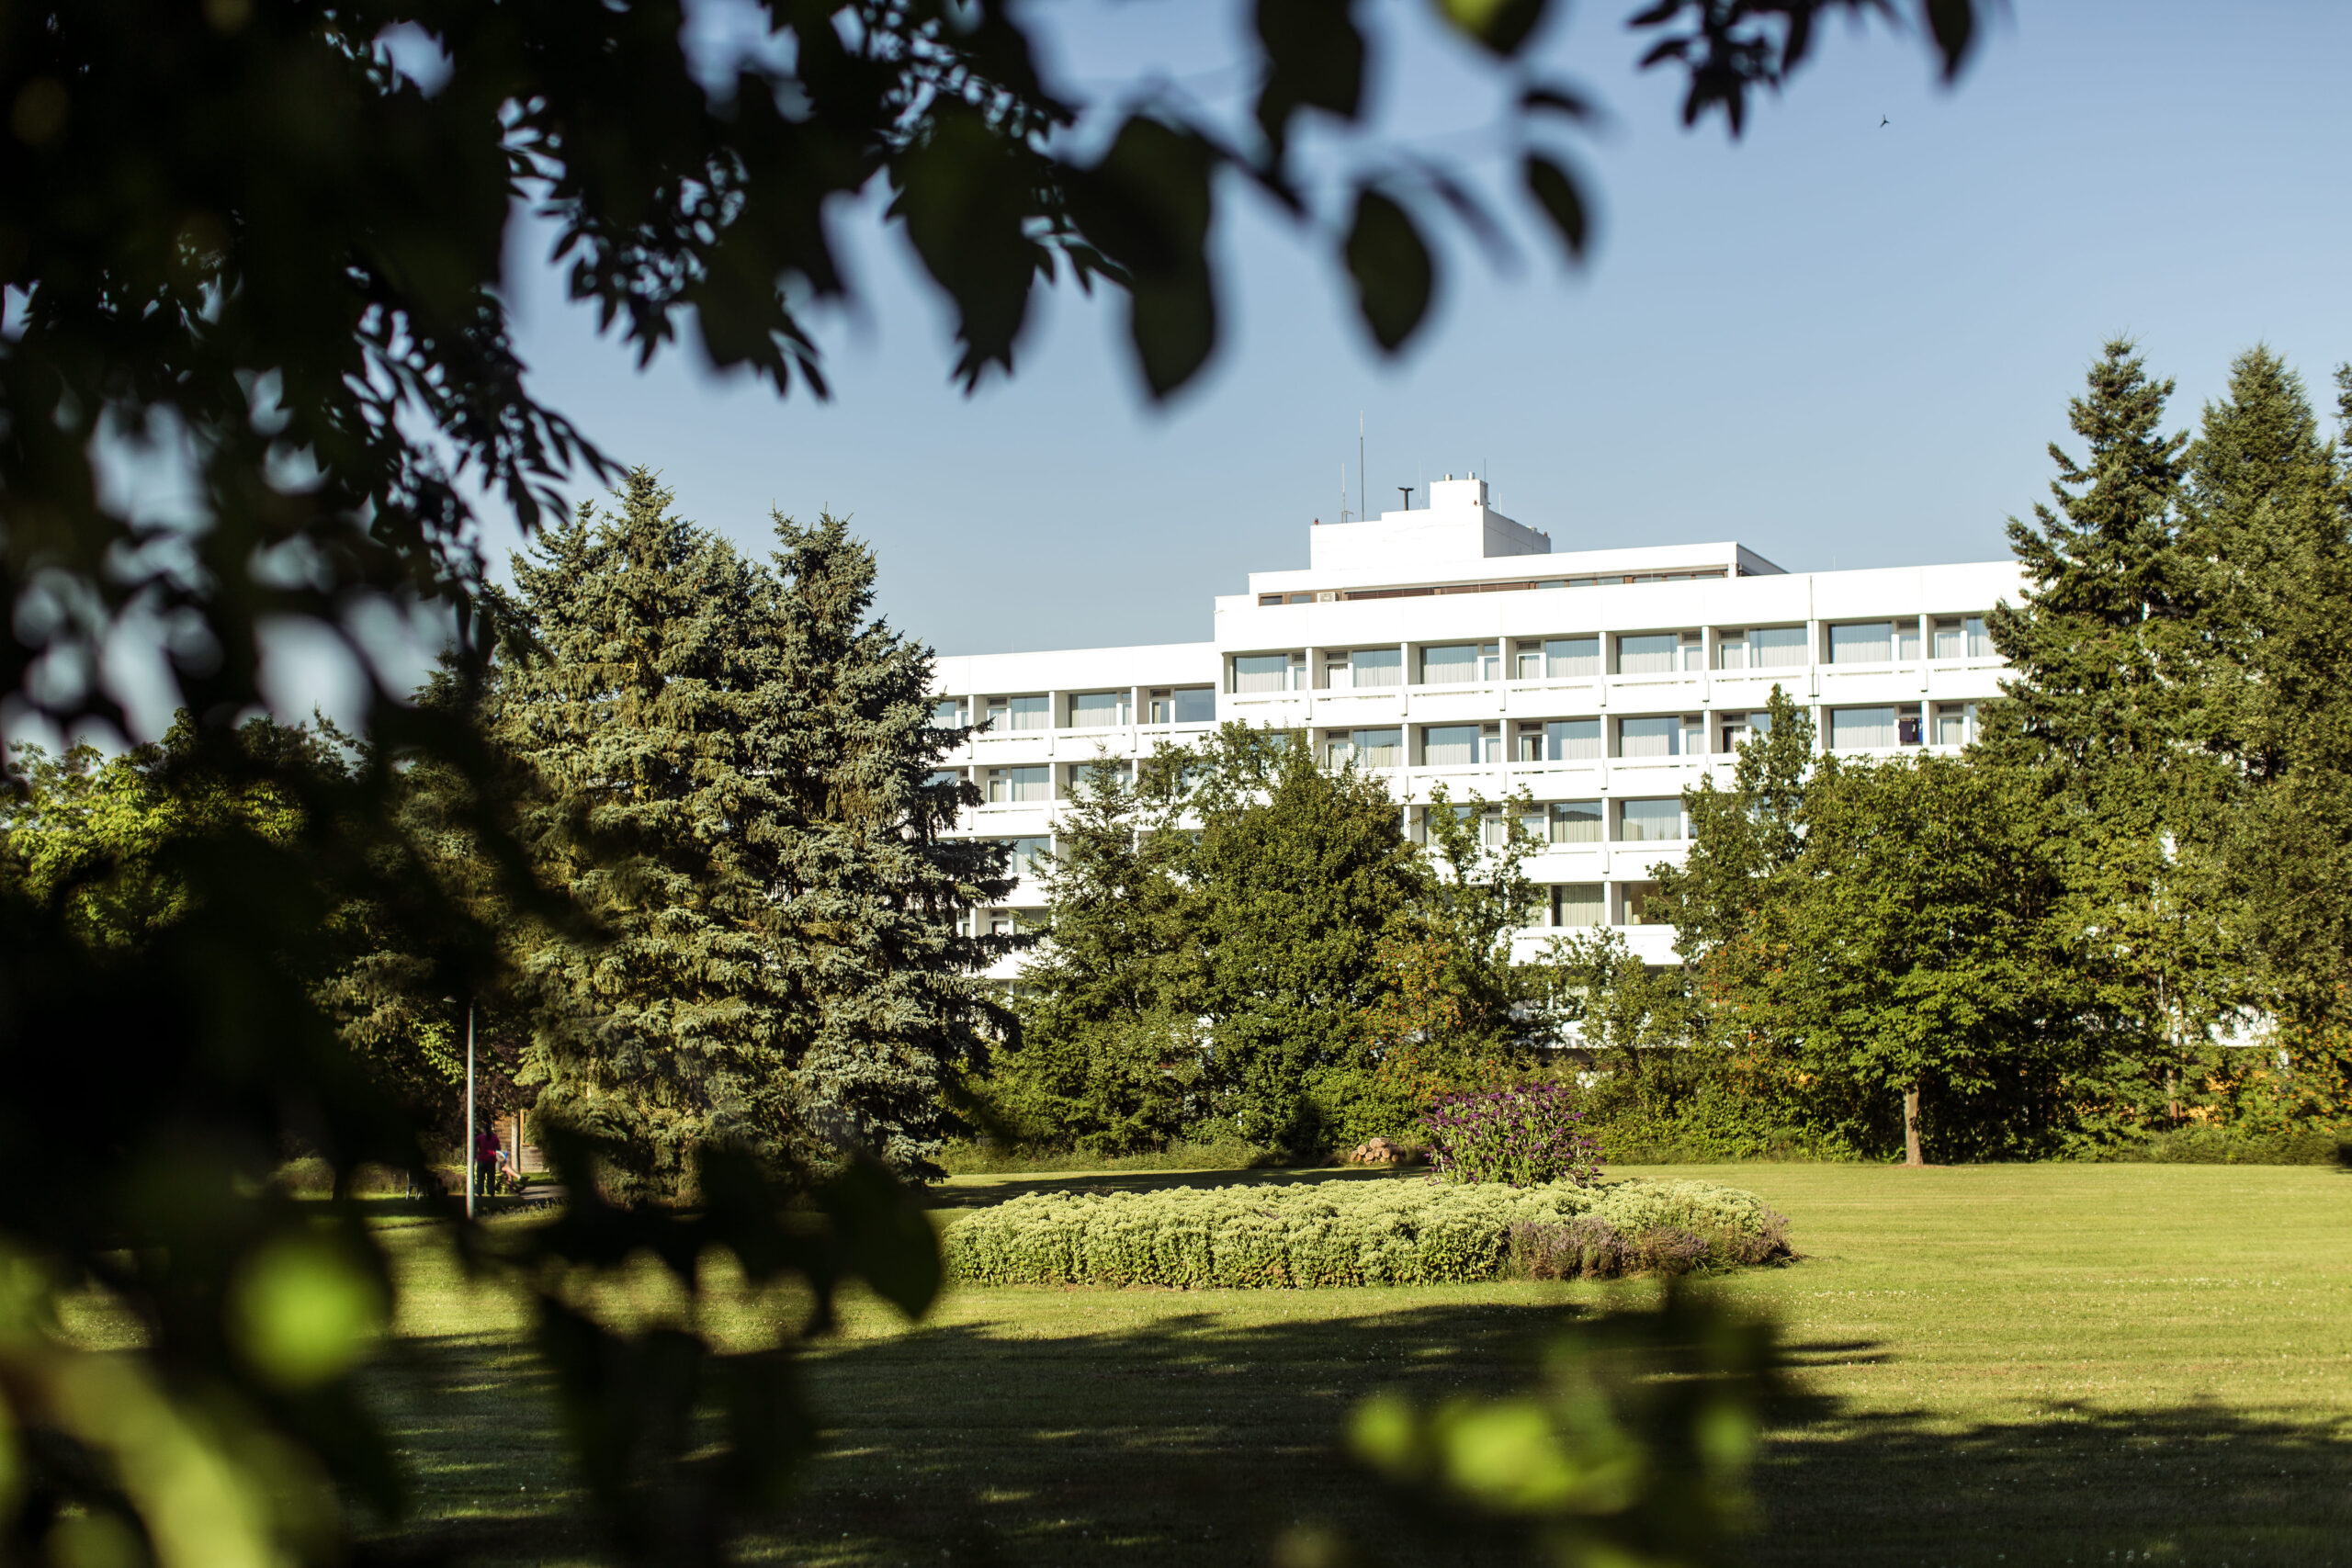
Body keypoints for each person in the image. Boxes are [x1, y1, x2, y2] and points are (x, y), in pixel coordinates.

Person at [474, 1126, 514, 1197]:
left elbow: (474, 1144)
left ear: (483, 1131)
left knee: (480, 1177)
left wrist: (477, 1151)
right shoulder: (494, 1138)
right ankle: (491, 1192)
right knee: (491, 1178)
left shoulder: (480, 1137)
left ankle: (479, 1192)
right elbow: (498, 1148)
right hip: (491, 1160)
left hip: (481, 1159)